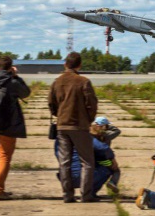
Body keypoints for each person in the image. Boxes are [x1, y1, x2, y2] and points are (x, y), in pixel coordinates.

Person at [48, 52, 98, 203]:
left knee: (64, 162)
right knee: (87, 162)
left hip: (62, 126)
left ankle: (67, 195)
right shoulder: (84, 81)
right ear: (79, 65)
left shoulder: (57, 81)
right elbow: (92, 104)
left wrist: (59, 114)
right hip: (80, 126)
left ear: (65, 64)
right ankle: (86, 195)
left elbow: (51, 103)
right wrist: (89, 119)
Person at [0, 55, 31, 200]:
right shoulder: (11, 80)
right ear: (11, 67)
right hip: (8, 123)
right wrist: (16, 76)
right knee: (4, 156)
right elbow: (26, 93)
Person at [91, 116, 121, 193]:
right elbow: (117, 131)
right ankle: (112, 182)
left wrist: (96, 125)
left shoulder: (90, 134)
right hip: (104, 159)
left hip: (92, 158)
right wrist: (107, 126)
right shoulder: (107, 135)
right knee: (116, 170)